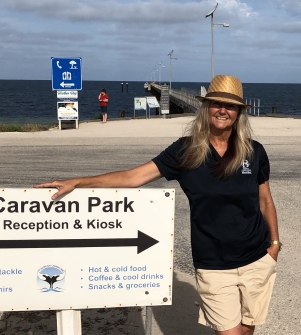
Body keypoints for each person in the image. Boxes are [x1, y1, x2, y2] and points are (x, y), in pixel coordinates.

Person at [35, 75, 281, 335]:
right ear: (206, 107)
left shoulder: (254, 151)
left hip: (257, 258)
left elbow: (265, 199)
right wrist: (79, 182)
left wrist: (274, 244)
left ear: (239, 112)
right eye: (216, 104)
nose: (223, 110)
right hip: (214, 263)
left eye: (230, 106)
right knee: (230, 332)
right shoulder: (186, 150)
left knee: (246, 328)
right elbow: (133, 177)